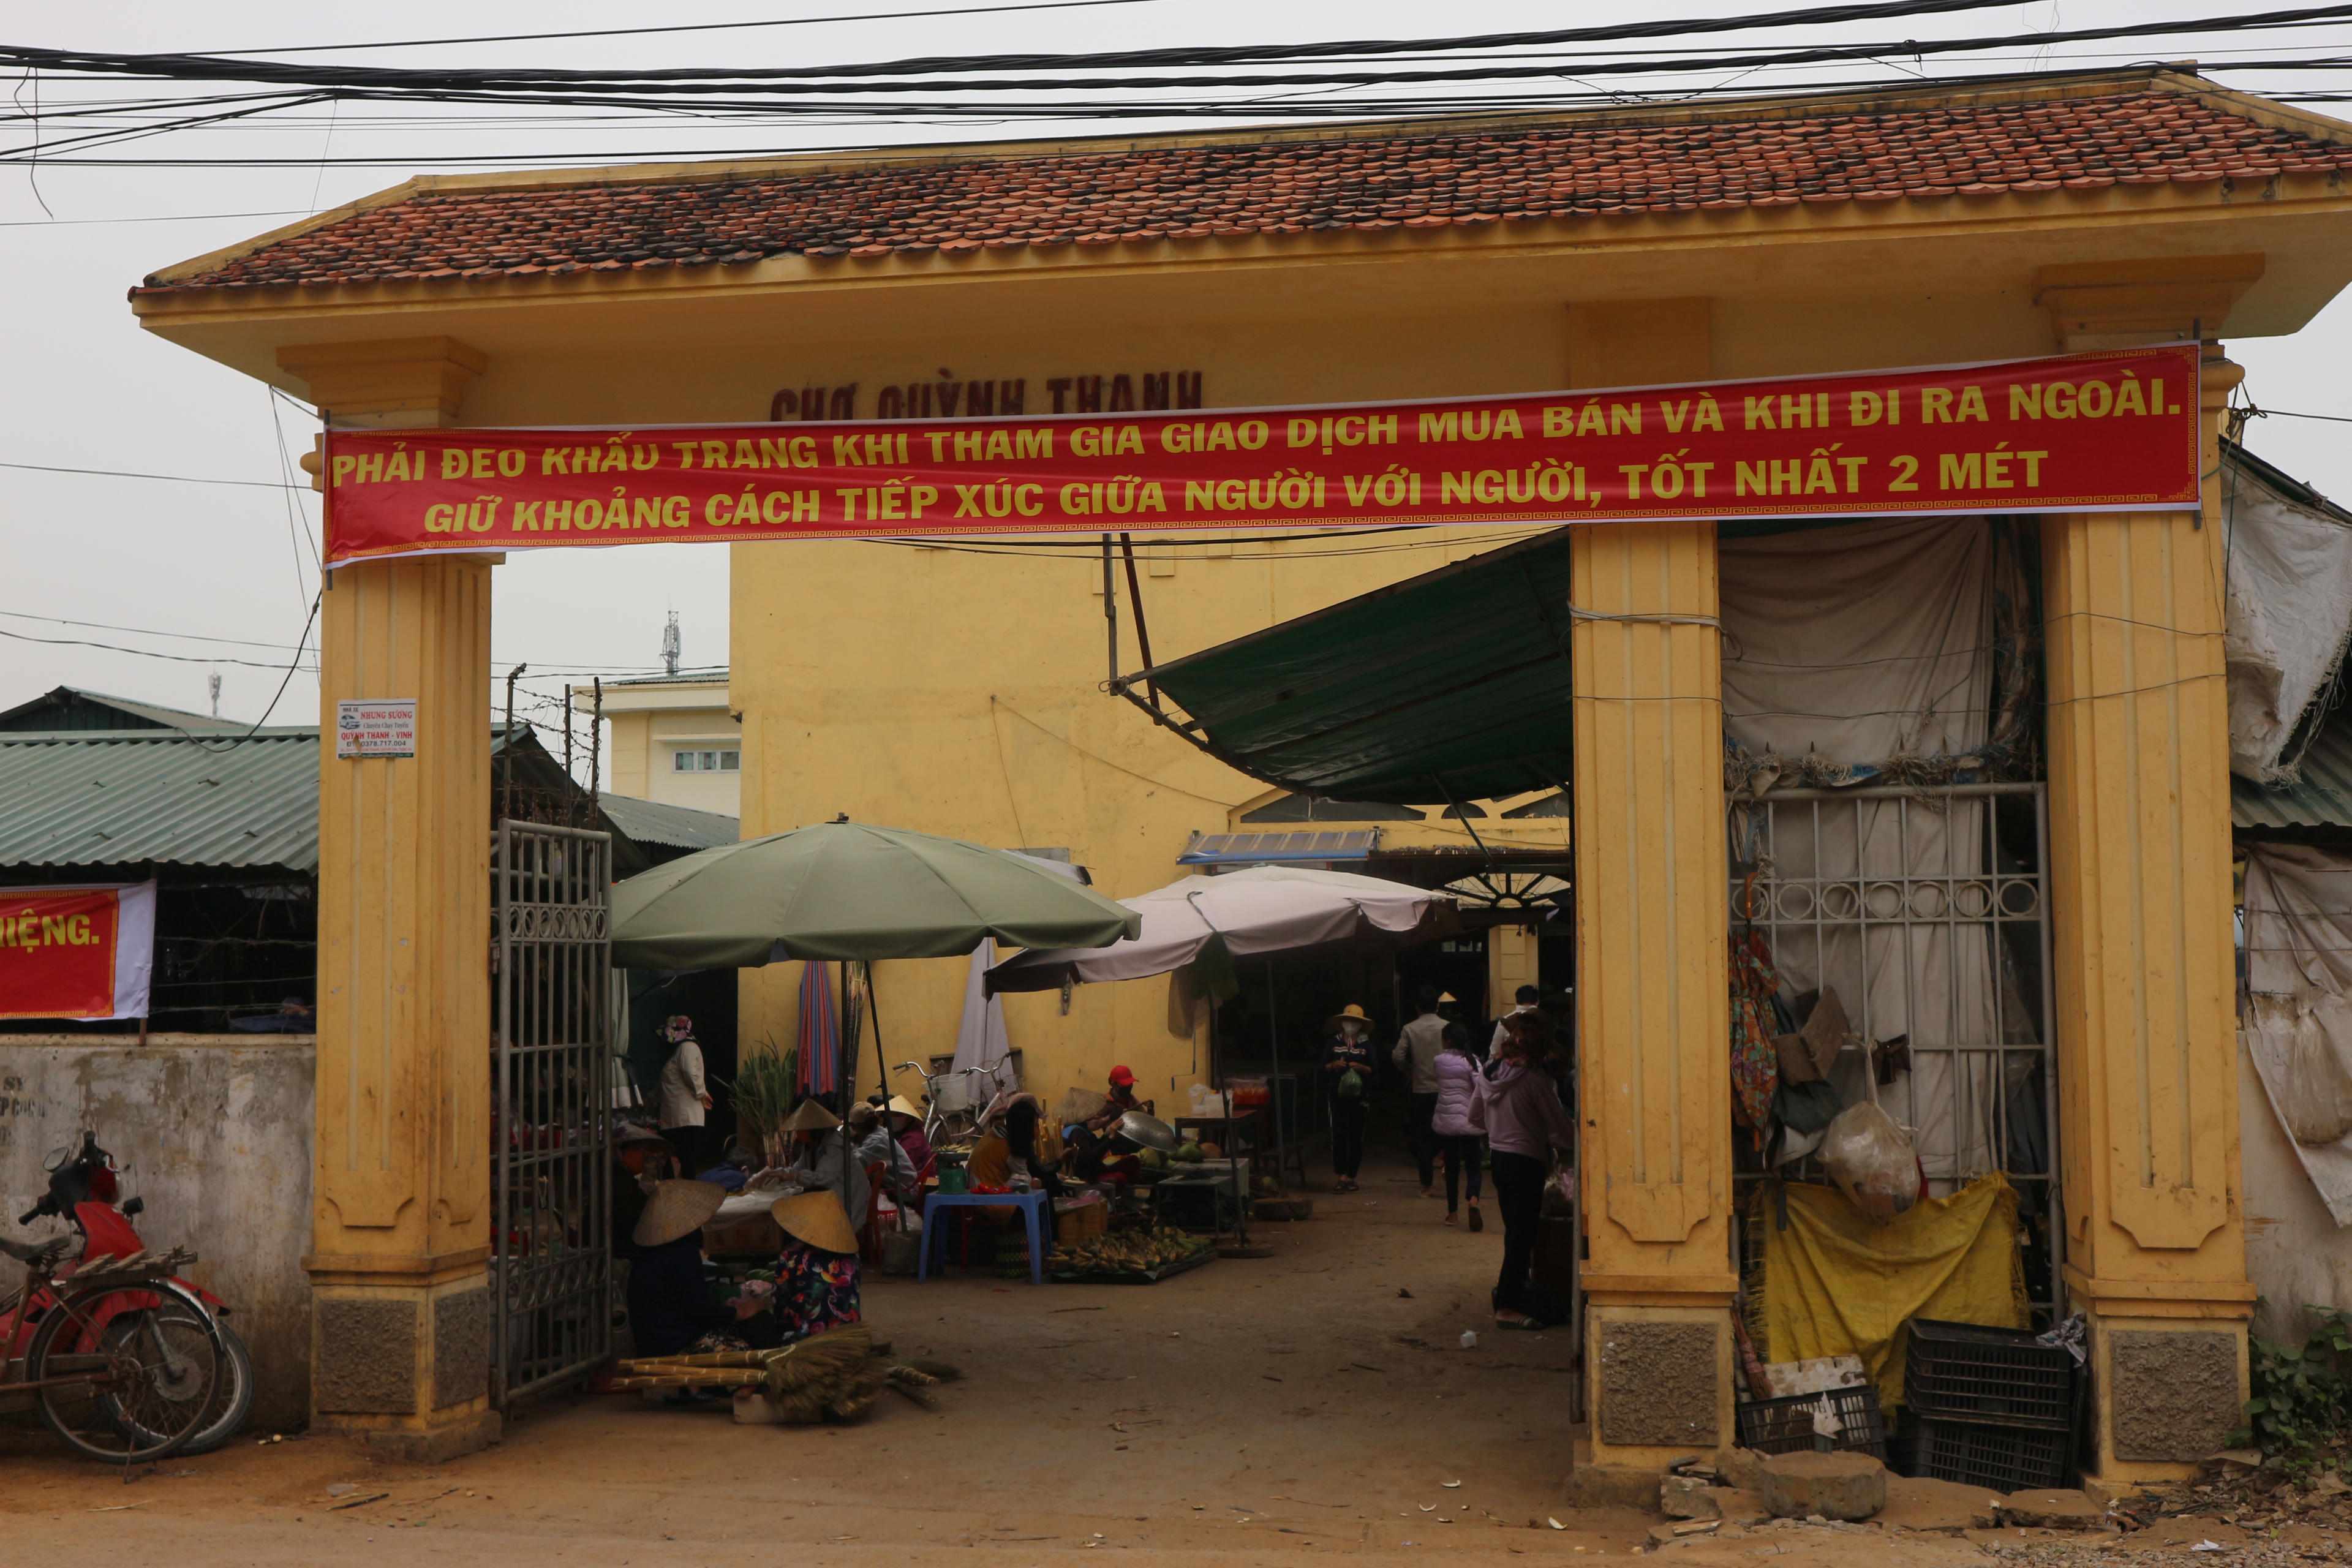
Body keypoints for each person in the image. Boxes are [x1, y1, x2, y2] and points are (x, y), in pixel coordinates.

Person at [1471, 1011, 1577, 1328]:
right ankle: (1506, 1306)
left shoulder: (1489, 1071)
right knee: (1522, 1235)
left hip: (1500, 1160)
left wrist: (1499, 1128)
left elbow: (1474, 1116)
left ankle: (1516, 1291)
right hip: (1526, 1162)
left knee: (1514, 1232)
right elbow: (1562, 1129)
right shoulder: (1534, 1081)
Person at [625, 1180, 762, 1362]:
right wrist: (741, 1312)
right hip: (671, 1346)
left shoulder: (646, 1254)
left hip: (650, 1342)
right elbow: (699, 1309)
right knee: (744, 1352)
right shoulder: (683, 1253)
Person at [760, 1190, 863, 1343]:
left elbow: (780, 1308)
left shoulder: (790, 1257)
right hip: (849, 1340)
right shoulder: (853, 1260)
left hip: (804, 1340)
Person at [1430, 1022, 1486, 1231]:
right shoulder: (1473, 1062)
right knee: (1474, 1166)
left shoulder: (1438, 1061)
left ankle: (1453, 1214)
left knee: (1452, 1168)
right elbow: (1481, 1089)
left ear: (1447, 1041)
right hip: (1470, 1121)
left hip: (1448, 1123)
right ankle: (1473, 1200)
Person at [1393, 987, 1447, 1198]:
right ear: (1438, 1006)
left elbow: (1397, 1057)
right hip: (1445, 1089)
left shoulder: (1410, 1029)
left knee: (1423, 1138)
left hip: (1421, 1089)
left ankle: (1427, 1186)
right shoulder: (1447, 1027)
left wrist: (1410, 1070)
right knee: (1448, 1134)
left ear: (1417, 1007)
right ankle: (1449, 1178)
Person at [1319, 1003, 1377, 1193]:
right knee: (1339, 1134)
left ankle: (1352, 1176)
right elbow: (1323, 1067)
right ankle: (1341, 1176)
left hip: (1360, 1096)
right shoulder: (1333, 1043)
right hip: (1337, 1095)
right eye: (1348, 1021)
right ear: (1343, 1023)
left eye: (1355, 1021)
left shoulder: (1366, 1044)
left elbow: (1374, 1069)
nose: (1351, 1024)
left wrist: (1361, 1068)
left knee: (1356, 1135)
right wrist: (1334, 1065)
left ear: (1361, 1025)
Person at [656, 1015, 715, 1179]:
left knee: (685, 1159)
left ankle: (687, 1190)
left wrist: (702, 1093)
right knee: (674, 1157)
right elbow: (665, 1084)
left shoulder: (688, 1047)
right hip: (675, 1118)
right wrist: (648, 1100)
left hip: (684, 1118)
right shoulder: (680, 1051)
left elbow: (690, 1072)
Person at [848, 1102, 920, 1199]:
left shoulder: (876, 1141)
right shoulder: (880, 1133)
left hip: (905, 1193)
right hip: (904, 1186)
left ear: (855, 1127)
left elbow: (853, 1162)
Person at [884, 1094, 936, 1183]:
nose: (894, 1119)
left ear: (908, 1118)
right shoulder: (899, 1133)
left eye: (898, 1116)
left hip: (921, 1183)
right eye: (891, 1115)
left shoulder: (914, 1138)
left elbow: (902, 1165)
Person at [1488, 985, 1541, 1055]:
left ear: (1517, 1003)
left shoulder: (1504, 1022)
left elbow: (1494, 1053)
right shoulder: (1546, 1021)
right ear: (1537, 1002)